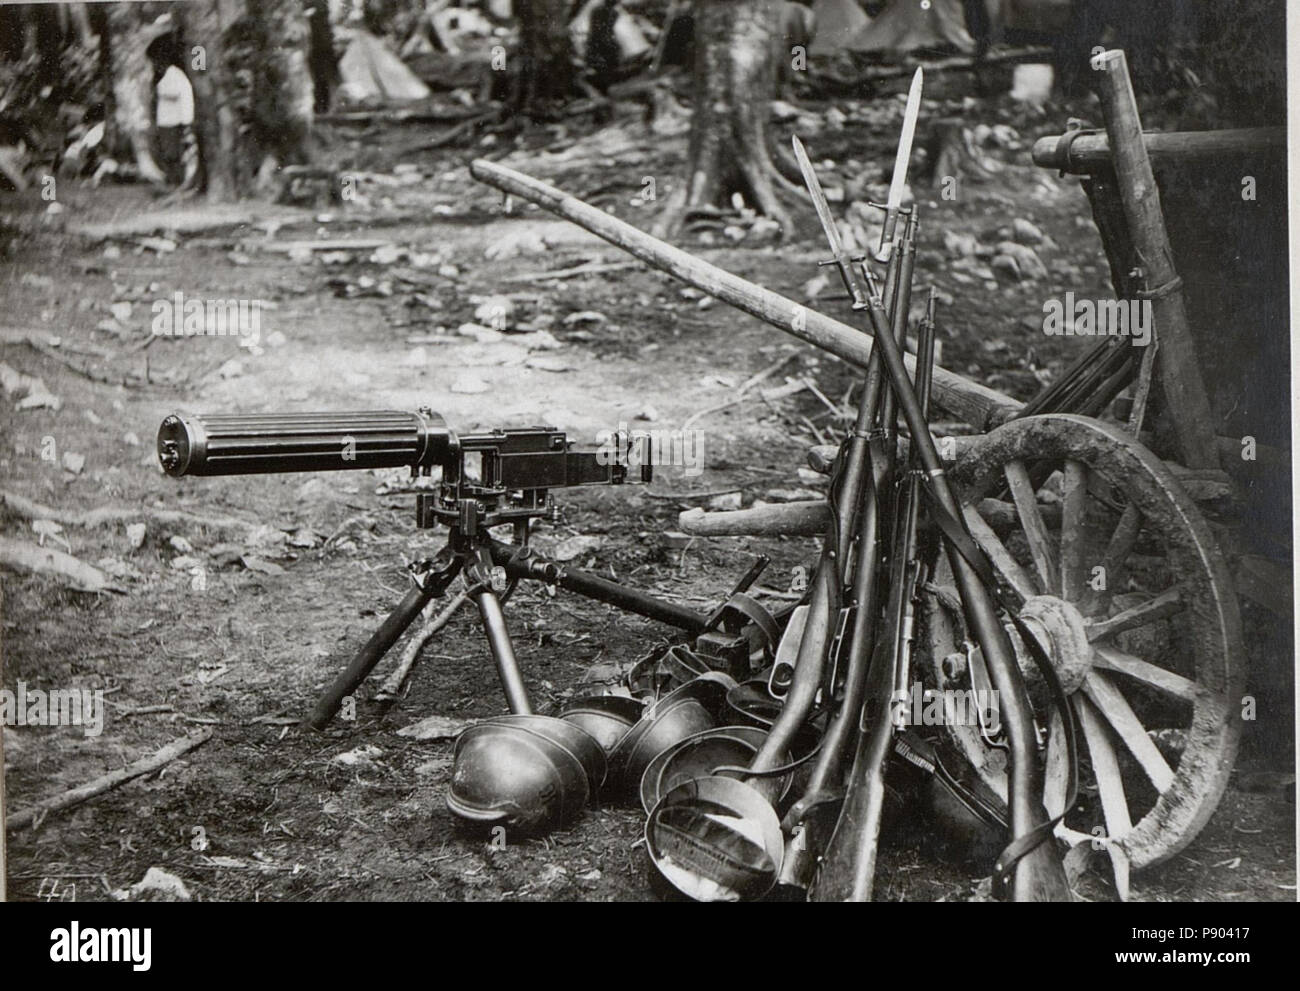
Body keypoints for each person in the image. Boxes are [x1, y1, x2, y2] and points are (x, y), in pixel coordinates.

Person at [147, 35, 197, 188]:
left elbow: (178, 93)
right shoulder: (163, 76)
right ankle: (172, 181)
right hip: (165, 120)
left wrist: (186, 121)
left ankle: (176, 182)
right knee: (165, 152)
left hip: (173, 121)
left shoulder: (174, 74)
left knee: (172, 153)